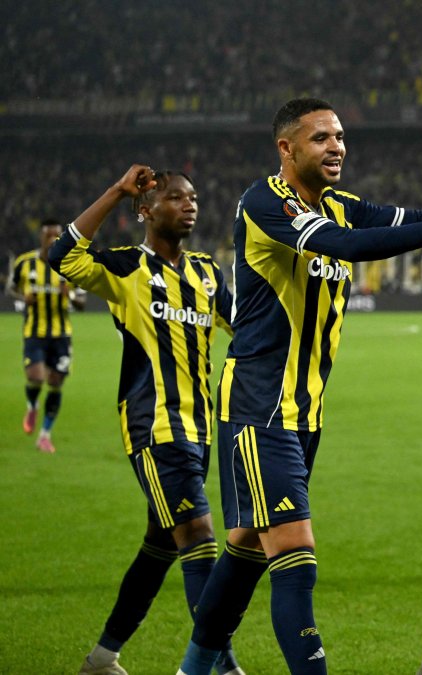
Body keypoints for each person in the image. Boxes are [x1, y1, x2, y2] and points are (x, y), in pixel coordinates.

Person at [177, 97, 422, 675]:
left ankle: (193, 667)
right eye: (321, 138)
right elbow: (346, 247)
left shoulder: (341, 204)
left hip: (304, 411)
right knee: (295, 556)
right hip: (259, 405)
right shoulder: (265, 203)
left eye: (339, 137)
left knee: (243, 550)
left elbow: (418, 216)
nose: (337, 147)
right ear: (286, 148)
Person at [49, 166, 242, 675]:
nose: (190, 204)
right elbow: (61, 256)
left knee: (160, 544)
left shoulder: (206, 272)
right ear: (146, 211)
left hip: (200, 431)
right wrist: (115, 189)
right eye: (176, 197)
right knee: (199, 534)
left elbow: (245, 329)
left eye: (193, 197)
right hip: (154, 427)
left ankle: (102, 657)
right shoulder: (127, 268)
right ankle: (220, 667)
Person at [8, 219, 85, 453]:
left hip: (62, 335)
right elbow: (11, 288)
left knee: (55, 382)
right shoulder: (25, 263)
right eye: (48, 236)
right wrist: (23, 299)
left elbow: (82, 303)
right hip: (35, 332)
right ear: (40, 238)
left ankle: (44, 435)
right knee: (36, 377)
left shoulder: (70, 265)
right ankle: (32, 405)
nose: (52, 240)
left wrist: (69, 297)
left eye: (56, 236)